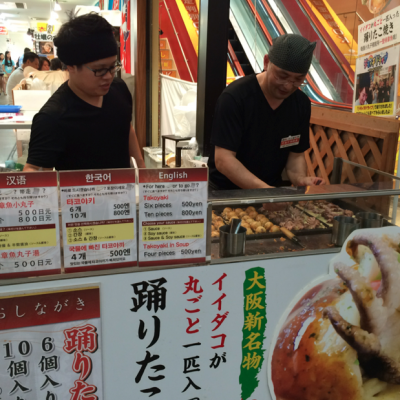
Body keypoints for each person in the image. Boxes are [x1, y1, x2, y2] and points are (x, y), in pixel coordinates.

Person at [24, 13, 145, 172]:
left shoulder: (119, 89)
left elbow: (126, 128)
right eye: (100, 70)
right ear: (71, 66)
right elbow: (33, 169)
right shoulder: (52, 117)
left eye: (112, 66)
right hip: (81, 196)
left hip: (122, 194)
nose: (109, 76)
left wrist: (143, 172)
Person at [208, 34, 325, 190]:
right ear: (266, 62)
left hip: (270, 191)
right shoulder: (235, 97)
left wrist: (301, 180)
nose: (288, 86)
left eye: (298, 79)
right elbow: (223, 159)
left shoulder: (301, 103)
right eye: (282, 76)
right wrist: (264, 191)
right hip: (226, 193)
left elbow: (295, 156)